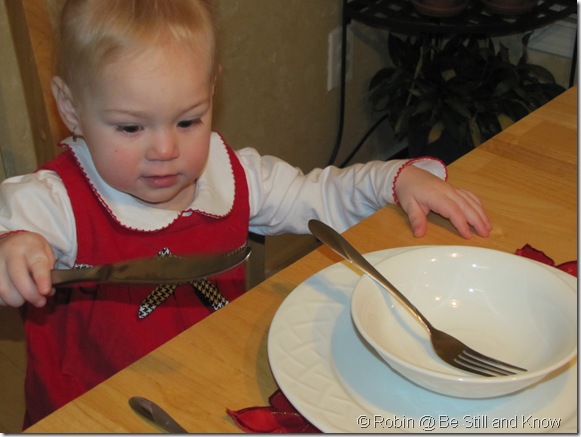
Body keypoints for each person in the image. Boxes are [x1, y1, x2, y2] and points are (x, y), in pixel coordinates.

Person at [0, 0, 491, 428]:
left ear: (212, 89)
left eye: (188, 120)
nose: (165, 150)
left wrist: (394, 180)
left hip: (211, 390)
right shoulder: (54, 202)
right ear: (70, 108)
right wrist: (11, 250)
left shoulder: (231, 175)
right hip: (95, 416)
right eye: (130, 128)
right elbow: (10, 231)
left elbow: (316, 197)